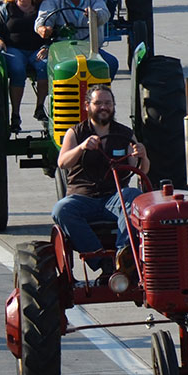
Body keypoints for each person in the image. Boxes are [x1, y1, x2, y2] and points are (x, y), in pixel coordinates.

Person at [51, 88, 149, 279]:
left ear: (113, 106)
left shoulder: (125, 134)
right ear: (87, 106)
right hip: (82, 198)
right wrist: (81, 147)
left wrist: (142, 156)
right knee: (61, 210)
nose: (104, 107)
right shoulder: (76, 132)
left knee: (133, 197)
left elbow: (141, 170)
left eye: (108, 103)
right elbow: (62, 162)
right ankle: (102, 260)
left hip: (114, 196)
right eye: (98, 103)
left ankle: (125, 256)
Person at [0, 0, 50, 127]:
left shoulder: (43, 8)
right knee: (17, 70)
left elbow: (53, 30)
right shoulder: (6, 9)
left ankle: (39, 108)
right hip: (14, 49)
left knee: (45, 66)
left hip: (37, 49)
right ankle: (15, 114)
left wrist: (46, 46)